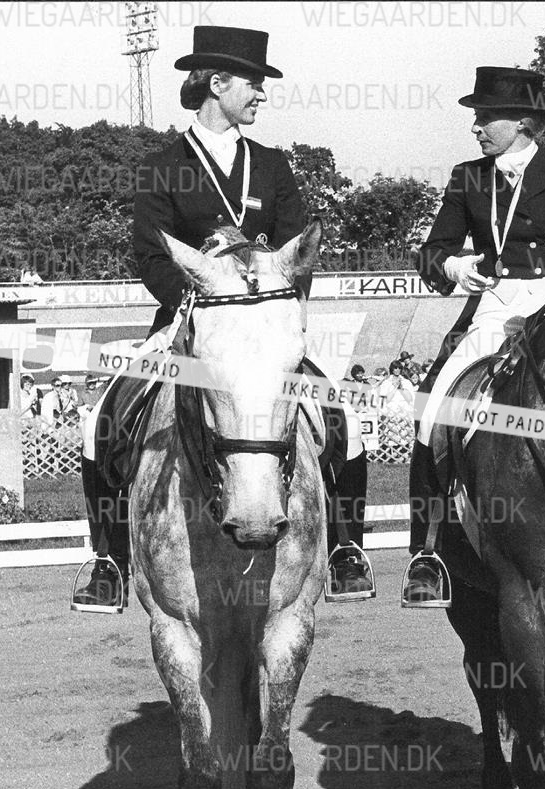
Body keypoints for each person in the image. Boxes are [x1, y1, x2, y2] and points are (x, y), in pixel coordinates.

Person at [72, 25, 373, 610]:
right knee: (100, 424)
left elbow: (296, 252)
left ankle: (345, 549)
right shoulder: (162, 166)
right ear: (217, 84)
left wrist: (278, 303)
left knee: (345, 421)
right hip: (189, 321)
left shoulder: (273, 165)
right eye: (253, 84)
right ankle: (108, 559)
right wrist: (195, 300)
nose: (261, 94)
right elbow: (151, 255)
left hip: (262, 329)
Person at [401, 66, 545, 606]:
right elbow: (433, 249)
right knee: (434, 405)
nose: (476, 127)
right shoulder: (467, 176)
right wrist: (453, 267)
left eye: (487, 117)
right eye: (477, 117)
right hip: (493, 305)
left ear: (524, 122)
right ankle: (427, 549)